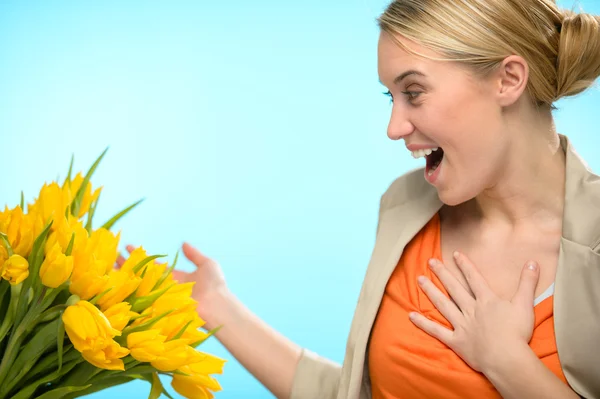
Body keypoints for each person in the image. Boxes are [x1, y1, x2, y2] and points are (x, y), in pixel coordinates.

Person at [123, 0, 600, 398]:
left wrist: (508, 363)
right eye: (389, 97)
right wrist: (216, 305)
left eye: (414, 92)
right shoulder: (406, 206)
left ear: (508, 79)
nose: (394, 128)